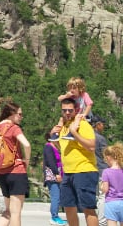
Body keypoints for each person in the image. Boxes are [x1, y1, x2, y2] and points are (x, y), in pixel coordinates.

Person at [0, 101, 31, 226]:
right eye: (19, 114)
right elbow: (27, 145)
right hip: (16, 172)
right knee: (16, 213)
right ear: (11, 113)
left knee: (8, 211)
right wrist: (27, 161)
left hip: (2, 174)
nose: (21, 117)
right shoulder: (14, 128)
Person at [52, 96, 99, 226]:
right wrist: (54, 137)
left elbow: (92, 146)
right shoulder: (64, 127)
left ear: (76, 110)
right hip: (68, 173)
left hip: (84, 170)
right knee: (68, 207)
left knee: (88, 208)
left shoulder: (82, 124)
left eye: (70, 110)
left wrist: (74, 133)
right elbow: (63, 148)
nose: (67, 113)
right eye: (64, 110)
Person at [45, 131, 67, 225]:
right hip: (52, 176)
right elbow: (51, 162)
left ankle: (55, 216)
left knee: (57, 197)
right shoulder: (48, 147)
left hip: (57, 175)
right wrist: (56, 173)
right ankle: (54, 217)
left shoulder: (55, 147)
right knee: (55, 197)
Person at [101, 143, 123, 226]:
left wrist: (101, 187)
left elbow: (105, 189)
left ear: (108, 157)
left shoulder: (106, 172)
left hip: (111, 203)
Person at [96, 118, 110, 226]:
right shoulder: (100, 138)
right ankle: (102, 221)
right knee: (103, 196)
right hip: (102, 170)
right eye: (103, 124)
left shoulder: (87, 136)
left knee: (97, 196)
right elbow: (106, 155)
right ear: (98, 124)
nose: (103, 127)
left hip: (91, 169)